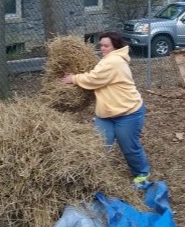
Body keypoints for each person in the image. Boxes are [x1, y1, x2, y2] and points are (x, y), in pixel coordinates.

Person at [61, 31, 151, 187]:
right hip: (106, 114)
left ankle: (142, 175)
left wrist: (73, 79)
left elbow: (93, 79)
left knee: (129, 146)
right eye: (101, 45)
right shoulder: (108, 60)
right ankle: (92, 175)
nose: (102, 48)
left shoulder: (114, 61)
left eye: (106, 45)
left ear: (115, 46)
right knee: (98, 145)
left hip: (128, 112)